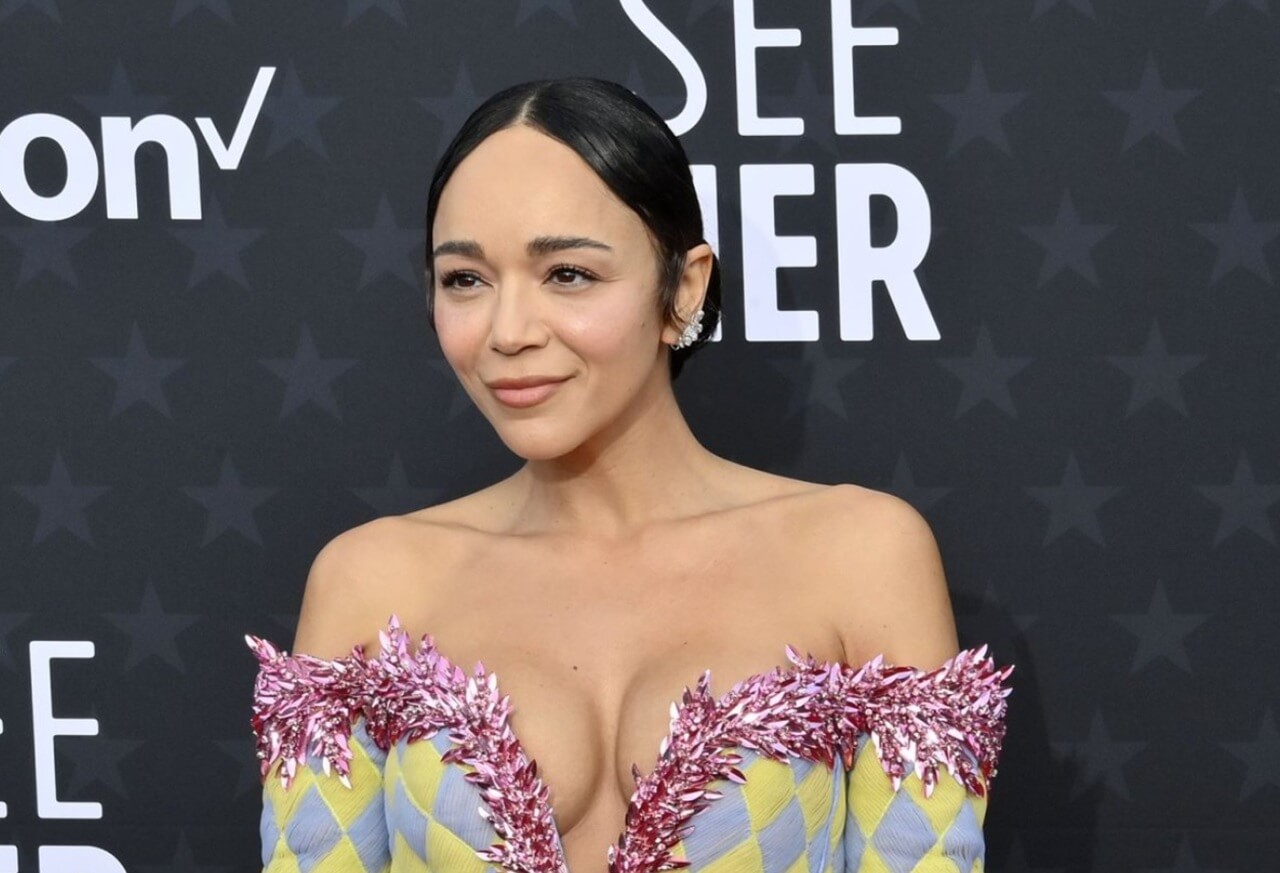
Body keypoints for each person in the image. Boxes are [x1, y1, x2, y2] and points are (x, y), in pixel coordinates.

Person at [245, 77, 1014, 873]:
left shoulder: (859, 556)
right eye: (465, 279)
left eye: (568, 274)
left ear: (683, 287)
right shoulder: (369, 581)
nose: (507, 332)